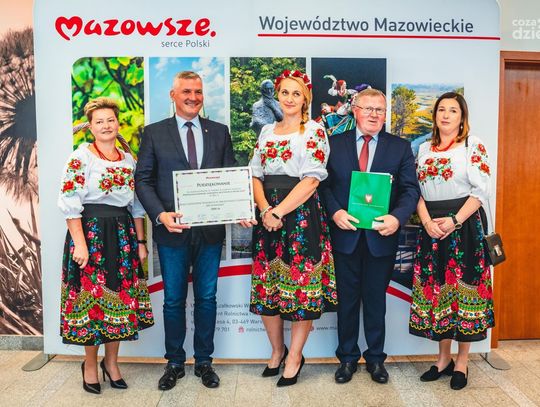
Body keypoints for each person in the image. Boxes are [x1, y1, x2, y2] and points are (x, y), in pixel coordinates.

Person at [135, 71, 253, 390]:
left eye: (198, 91)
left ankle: (204, 361)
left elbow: (230, 175)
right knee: (173, 300)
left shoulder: (219, 132)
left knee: (207, 298)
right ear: (173, 95)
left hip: (210, 233)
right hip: (172, 232)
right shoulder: (154, 133)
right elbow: (143, 180)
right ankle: (175, 362)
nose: (193, 97)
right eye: (186, 91)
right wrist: (160, 215)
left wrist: (240, 208)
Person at [320, 88, 420, 384]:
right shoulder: (333, 144)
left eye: (379, 110)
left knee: (376, 302)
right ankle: (347, 359)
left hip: (381, 238)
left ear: (385, 114)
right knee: (347, 302)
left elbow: (410, 190)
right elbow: (322, 185)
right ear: (355, 110)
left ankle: (376, 359)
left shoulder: (399, 147)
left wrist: (397, 217)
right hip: (345, 236)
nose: (374, 114)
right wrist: (335, 212)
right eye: (368, 108)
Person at [58, 97, 154, 394]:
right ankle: (89, 364)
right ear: (90, 127)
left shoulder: (128, 160)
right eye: (99, 121)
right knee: (92, 302)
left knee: (120, 301)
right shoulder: (80, 157)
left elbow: (136, 206)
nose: (106, 125)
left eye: (110, 120)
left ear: (118, 123)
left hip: (123, 235)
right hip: (91, 234)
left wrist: (141, 242)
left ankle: (111, 363)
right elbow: (69, 202)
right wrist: (80, 244)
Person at [249, 69, 337, 387]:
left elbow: (312, 180)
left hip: (300, 215)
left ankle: (296, 356)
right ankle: (277, 351)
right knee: (268, 286)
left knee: (301, 289)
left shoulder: (313, 131)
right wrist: (265, 210)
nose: (289, 98)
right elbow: (255, 174)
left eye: (296, 93)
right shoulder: (266, 131)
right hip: (268, 214)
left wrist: (278, 212)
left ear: (305, 99)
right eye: (284, 92)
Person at [409, 92, 495, 390]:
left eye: (453, 110)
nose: (446, 115)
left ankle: (462, 362)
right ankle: (443, 359)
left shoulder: (473, 145)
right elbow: (415, 190)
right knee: (439, 292)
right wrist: (426, 222)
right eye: (441, 110)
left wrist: (455, 220)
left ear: (462, 117)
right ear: (435, 116)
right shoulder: (423, 149)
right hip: (432, 227)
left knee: (463, 291)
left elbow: (480, 192)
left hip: (464, 226)